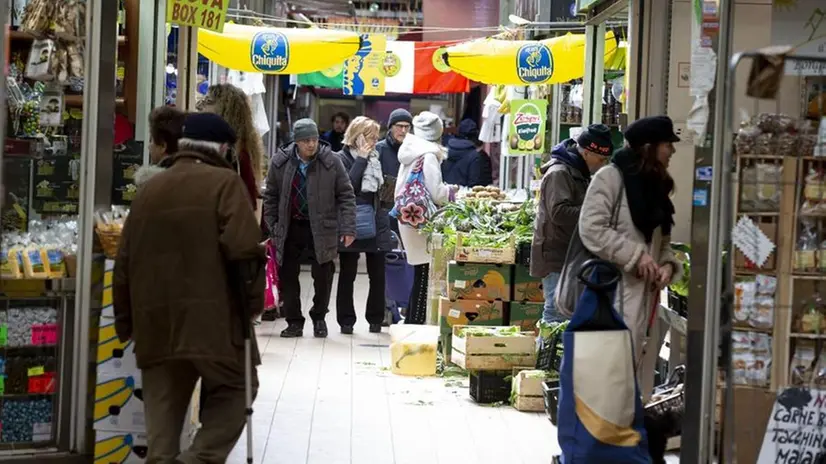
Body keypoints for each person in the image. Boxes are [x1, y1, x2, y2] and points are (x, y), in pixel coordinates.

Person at [112, 112, 265, 463]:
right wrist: (251, 309)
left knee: (160, 438)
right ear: (224, 148)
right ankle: (199, 458)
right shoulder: (225, 185)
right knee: (239, 388)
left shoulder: (149, 190)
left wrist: (126, 323)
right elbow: (245, 251)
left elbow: (123, 264)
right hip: (213, 324)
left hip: (155, 326)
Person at [578, 115, 683, 401]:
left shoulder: (657, 186)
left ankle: (626, 434)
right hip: (612, 292)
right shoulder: (611, 177)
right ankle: (602, 440)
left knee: (635, 373)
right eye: (667, 145)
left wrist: (667, 265)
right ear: (648, 147)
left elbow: (662, 242)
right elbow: (591, 228)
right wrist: (636, 256)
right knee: (610, 372)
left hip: (646, 298)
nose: (672, 151)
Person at [263, 118, 356, 338]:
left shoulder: (331, 161)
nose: (311, 145)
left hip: (322, 228)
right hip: (290, 226)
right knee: (288, 275)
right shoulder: (280, 161)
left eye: (314, 139)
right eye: (305, 140)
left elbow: (346, 195)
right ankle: (294, 321)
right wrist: (272, 225)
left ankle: (319, 317)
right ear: (296, 141)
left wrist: (348, 228)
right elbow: (271, 196)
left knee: (323, 275)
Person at [530, 124, 613, 324]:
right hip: (557, 255)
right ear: (587, 153)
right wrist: (595, 212)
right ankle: (547, 354)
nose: (602, 165)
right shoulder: (560, 173)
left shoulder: (578, 172)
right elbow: (559, 213)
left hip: (569, 254)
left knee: (565, 312)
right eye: (600, 159)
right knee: (555, 312)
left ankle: (559, 354)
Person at [395, 111, 456, 324]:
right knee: (424, 275)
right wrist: (454, 191)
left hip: (410, 219)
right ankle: (416, 322)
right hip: (420, 223)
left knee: (420, 272)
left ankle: (413, 320)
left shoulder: (411, 152)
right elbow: (437, 192)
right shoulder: (428, 155)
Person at [335, 116, 393, 334]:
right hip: (352, 221)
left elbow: (382, 191)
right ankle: (346, 321)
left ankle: (375, 319)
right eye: (369, 136)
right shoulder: (340, 158)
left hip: (376, 220)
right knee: (347, 273)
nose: (373, 141)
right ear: (356, 136)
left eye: (375, 137)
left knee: (378, 274)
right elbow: (346, 186)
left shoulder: (377, 158)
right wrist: (360, 159)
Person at [199, 84, 265, 209]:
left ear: (225, 109)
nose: (200, 106)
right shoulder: (220, 146)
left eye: (208, 101)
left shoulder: (237, 154)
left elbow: (248, 202)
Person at [376, 108, 413, 237]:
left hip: (409, 212)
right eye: (399, 126)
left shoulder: (415, 151)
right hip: (383, 212)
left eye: (407, 127)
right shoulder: (379, 149)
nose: (403, 131)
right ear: (391, 127)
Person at [134, 106, 187, 187]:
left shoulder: (152, 186)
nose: (149, 147)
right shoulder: (193, 180)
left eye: (151, 140)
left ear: (163, 146)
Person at [441, 118, 484, 187]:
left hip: (444, 192)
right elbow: (474, 182)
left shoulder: (444, 149)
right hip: (464, 195)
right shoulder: (474, 155)